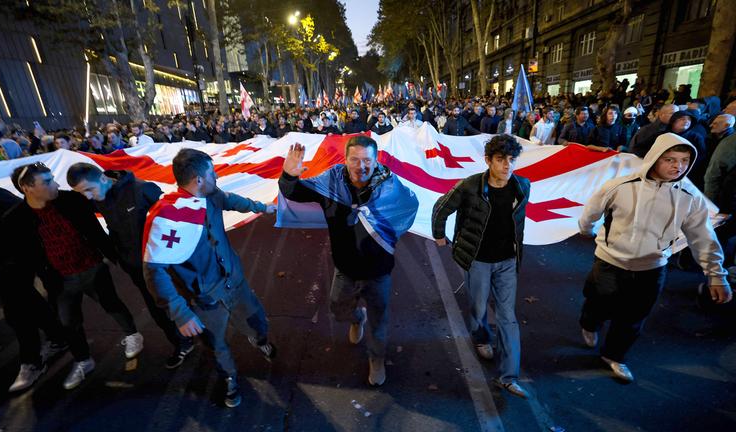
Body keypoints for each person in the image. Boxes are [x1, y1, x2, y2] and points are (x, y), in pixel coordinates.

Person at [578, 133, 732, 382]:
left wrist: (716, 274)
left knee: (634, 315)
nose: (677, 166)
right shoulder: (619, 186)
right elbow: (591, 213)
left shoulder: (690, 198)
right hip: (610, 261)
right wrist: (587, 230)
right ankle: (589, 323)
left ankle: (614, 355)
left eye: (684, 160)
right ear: (653, 159)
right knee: (598, 301)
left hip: (653, 266)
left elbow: (702, 236)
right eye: (669, 159)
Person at [279, 136, 418, 386]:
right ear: (345, 160)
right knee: (337, 309)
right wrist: (289, 175)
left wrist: (389, 232)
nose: (361, 166)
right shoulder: (330, 183)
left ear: (376, 161)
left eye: (367, 160)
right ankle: (356, 318)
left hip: (379, 272)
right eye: (355, 159)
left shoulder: (390, 186)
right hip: (345, 270)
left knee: (379, 320)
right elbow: (294, 193)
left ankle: (376, 360)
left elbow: (410, 205)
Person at [143, 148, 277, 408]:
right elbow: (153, 270)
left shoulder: (211, 195)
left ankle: (260, 340)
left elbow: (232, 200)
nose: (216, 177)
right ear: (198, 180)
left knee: (257, 321)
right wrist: (180, 313)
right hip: (205, 298)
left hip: (234, 283)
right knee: (217, 345)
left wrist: (261, 207)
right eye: (212, 173)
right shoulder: (166, 217)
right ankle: (230, 379)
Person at [5, 162, 143, 390]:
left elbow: (96, 230)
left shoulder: (72, 200)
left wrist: (113, 256)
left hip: (92, 268)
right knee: (69, 323)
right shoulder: (16, 219)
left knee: (111, 303)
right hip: (59, 280)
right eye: (47, 182)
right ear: (27, 188)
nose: (56, 184)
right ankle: (83, 361)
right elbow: (24, 256)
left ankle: (133, 335)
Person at [67, 164, 196, 369]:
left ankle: (208, 338)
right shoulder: (98, 196)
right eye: (82, 193)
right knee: (157, 308)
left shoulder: (142, 189)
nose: (88, 198)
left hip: (164, 263)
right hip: (135, 266)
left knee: (184, 298)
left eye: (88, 190)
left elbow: (175, 218)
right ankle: (182, 343)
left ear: (102, 179)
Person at [431, 134, 531, 399]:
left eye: (511, 160)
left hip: (507, 262)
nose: (507, 166)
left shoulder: (523, 186)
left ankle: (509, 376)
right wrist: (439, 234)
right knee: (478, 306)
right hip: (477, 260)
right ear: (487, 161)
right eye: (500, 160)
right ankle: (481, 337)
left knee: (507, 316)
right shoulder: (470, 186)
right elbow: (441, 207)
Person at [0, 179, 68, 388]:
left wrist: (25, 257)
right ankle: (58, 337)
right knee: (30, 302)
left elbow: (28, 219)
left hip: (16, 260)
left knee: (16, 313)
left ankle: (31, 362)